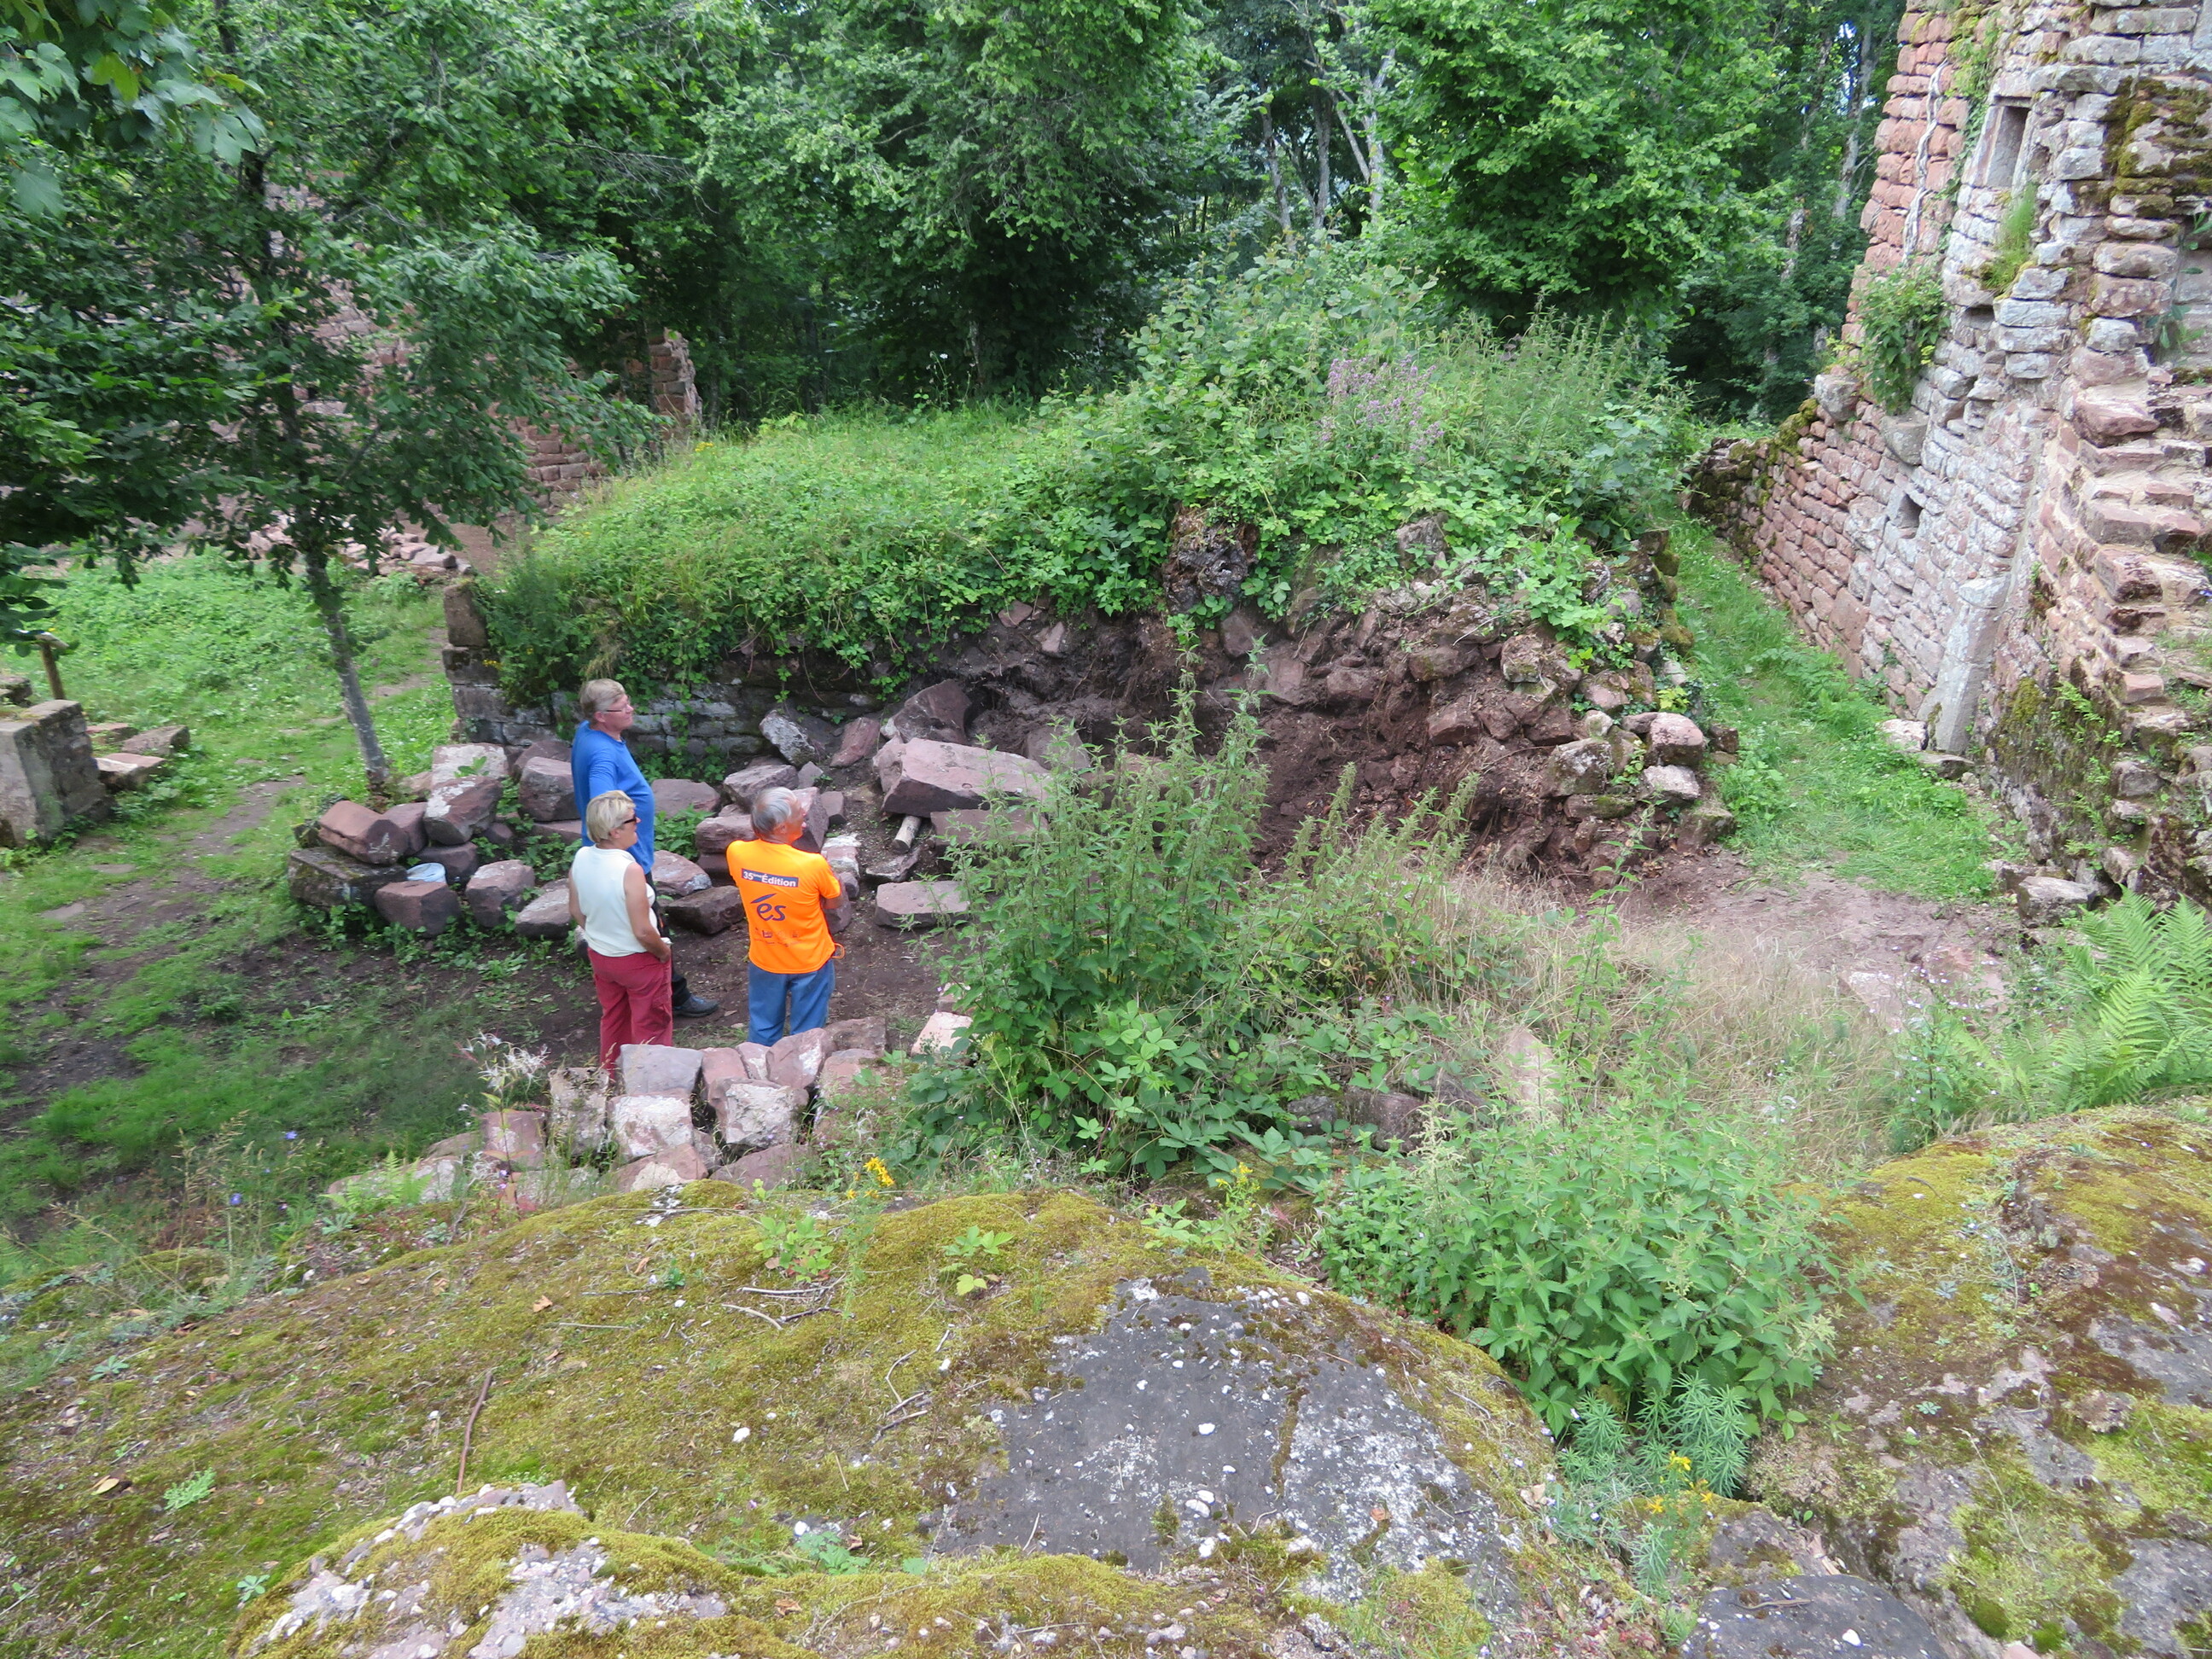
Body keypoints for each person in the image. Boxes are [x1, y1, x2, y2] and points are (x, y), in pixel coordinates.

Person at [571, 677, 719, 1018]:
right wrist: (626, 829)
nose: (631, 709)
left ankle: (625, 982)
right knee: (650, 924)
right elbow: (602, 803)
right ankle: (671, 995)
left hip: (614, 851)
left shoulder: (588, 732)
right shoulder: (602, 755)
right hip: (624, 855)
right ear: (601, 715)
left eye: (628, 702)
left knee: (626, 919)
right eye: (621, 707)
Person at [731, 786, 850, 1044]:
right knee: (806, 1034)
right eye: (799, 814)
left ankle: (758, 1064)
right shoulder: (812, 864)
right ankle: (801, 1066)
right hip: (809, 962)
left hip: (765, 959)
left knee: (763, 1027)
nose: (804, 816)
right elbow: (834, 902)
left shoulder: (737, 853)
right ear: (781, 828)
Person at [568, 789, 675, 1072]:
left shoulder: (581, 857)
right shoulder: (629, 870)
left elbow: (576, 910)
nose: (638, 821)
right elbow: (642, 931)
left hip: (602, 956)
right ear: (615, 831)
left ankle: (611, 1078)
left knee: (614, 1018)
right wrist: (663, 953)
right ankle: (650, 1085)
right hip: (638, 961)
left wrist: (602, 936)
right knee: (651, 1024)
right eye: (632, 819)